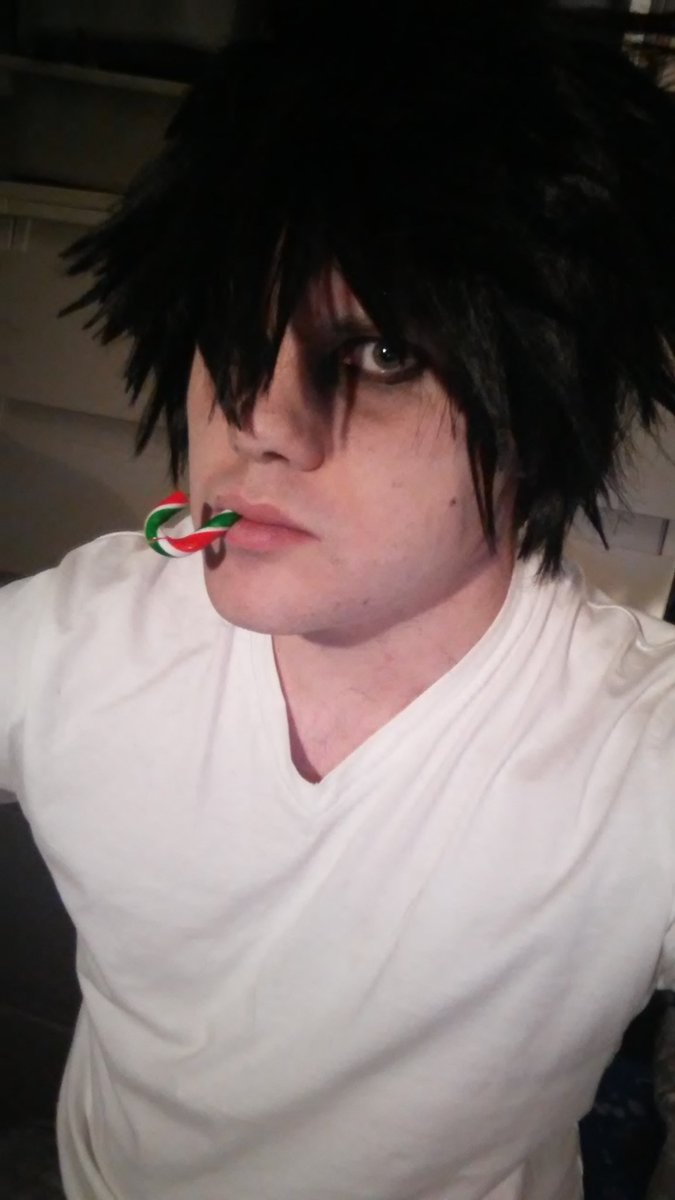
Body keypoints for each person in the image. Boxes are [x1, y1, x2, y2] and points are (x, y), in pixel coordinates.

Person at [2, 1, 675, 1197]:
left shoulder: (634, 762)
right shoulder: (80, 639)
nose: (257, 423)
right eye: (234, 331)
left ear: (537, 417)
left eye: (382, 355)